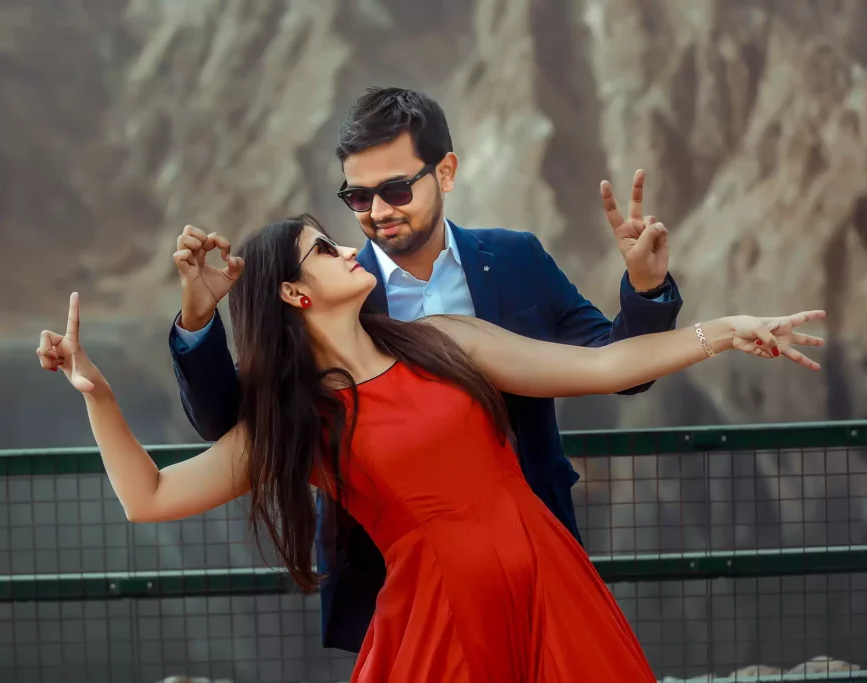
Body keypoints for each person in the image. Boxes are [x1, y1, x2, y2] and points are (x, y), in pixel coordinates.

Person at [36, 214, 825, 681]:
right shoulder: (302, 420)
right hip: (441, 621)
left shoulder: (442, 338)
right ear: (294, 293)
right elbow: (150, 497)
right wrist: (96, 394)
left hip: (548, 582)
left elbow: (604, 364)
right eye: (322, 248)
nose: (350, 248)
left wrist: (722, 330)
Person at [167, 87, 685, 651]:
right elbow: (228, 421)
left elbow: (621, 368)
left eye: (394, 189)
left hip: (534, 558)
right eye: (359, 197)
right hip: (395, 588)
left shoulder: (517, 260)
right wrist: (198, 317)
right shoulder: (333, 294)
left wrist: (645, 287)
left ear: (445, 172)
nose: (379, 212)